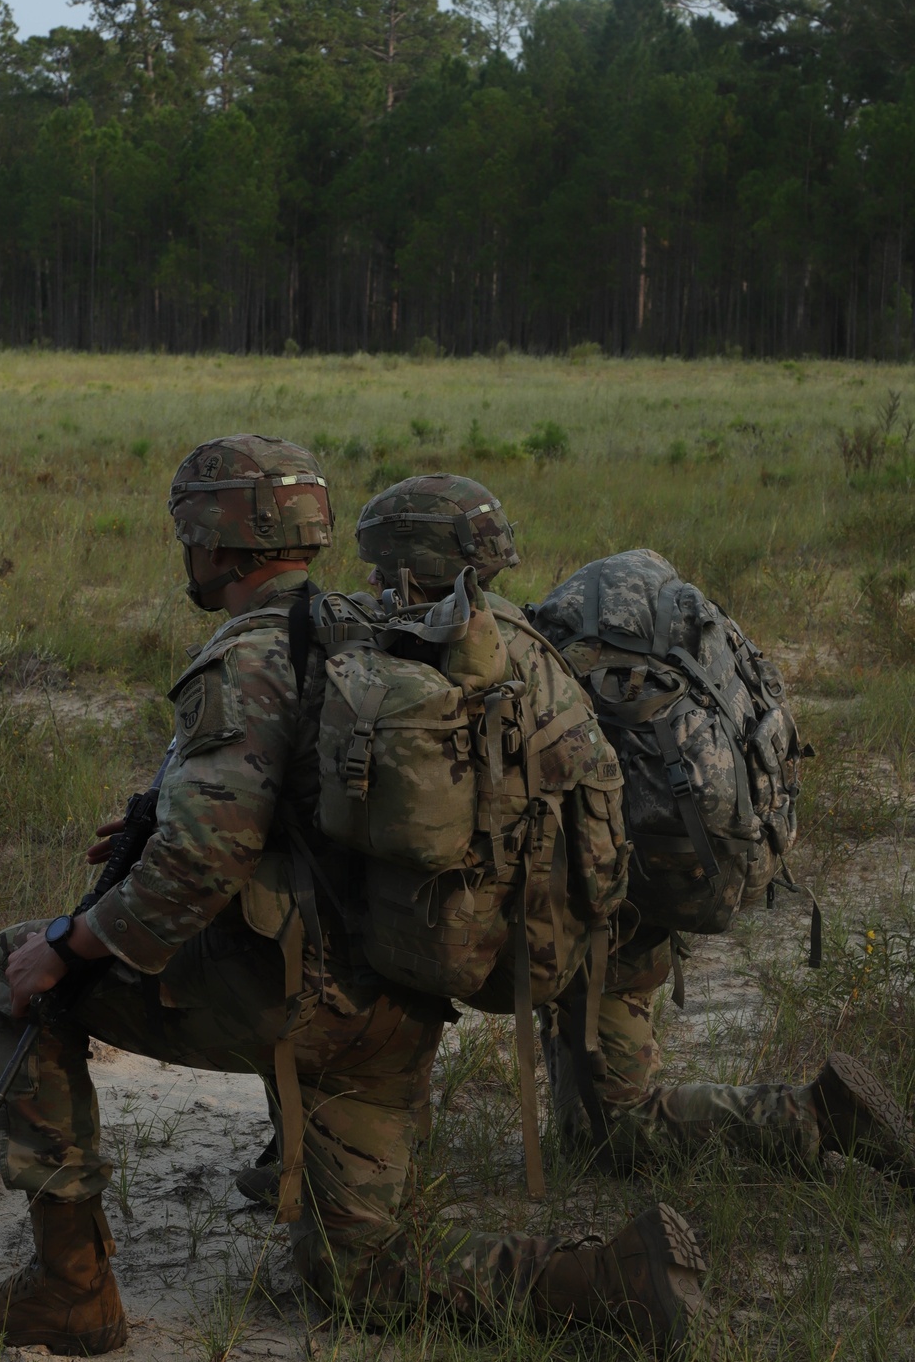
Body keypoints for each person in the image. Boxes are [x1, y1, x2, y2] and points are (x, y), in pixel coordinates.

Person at [0, 437, 710, 1359]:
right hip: (397, 1000)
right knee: (360, 1274)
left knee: (3, 967)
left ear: (216, 539)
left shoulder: (249, 655)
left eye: (190, 530)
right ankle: (611, 1282)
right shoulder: (368, 628)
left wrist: (70, 943)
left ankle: (70, 1293)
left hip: (297, 1006)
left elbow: (199, 862)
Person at [350, 474, 915, 1184]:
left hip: (558, 925)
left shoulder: (432, 671)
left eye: (377, 566)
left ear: (408, 568)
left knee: (378, 941)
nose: (370, 581)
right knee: (607, 1128)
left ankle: (366, 1146)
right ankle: (816, 1113)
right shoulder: (535, 633)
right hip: (626, 905)